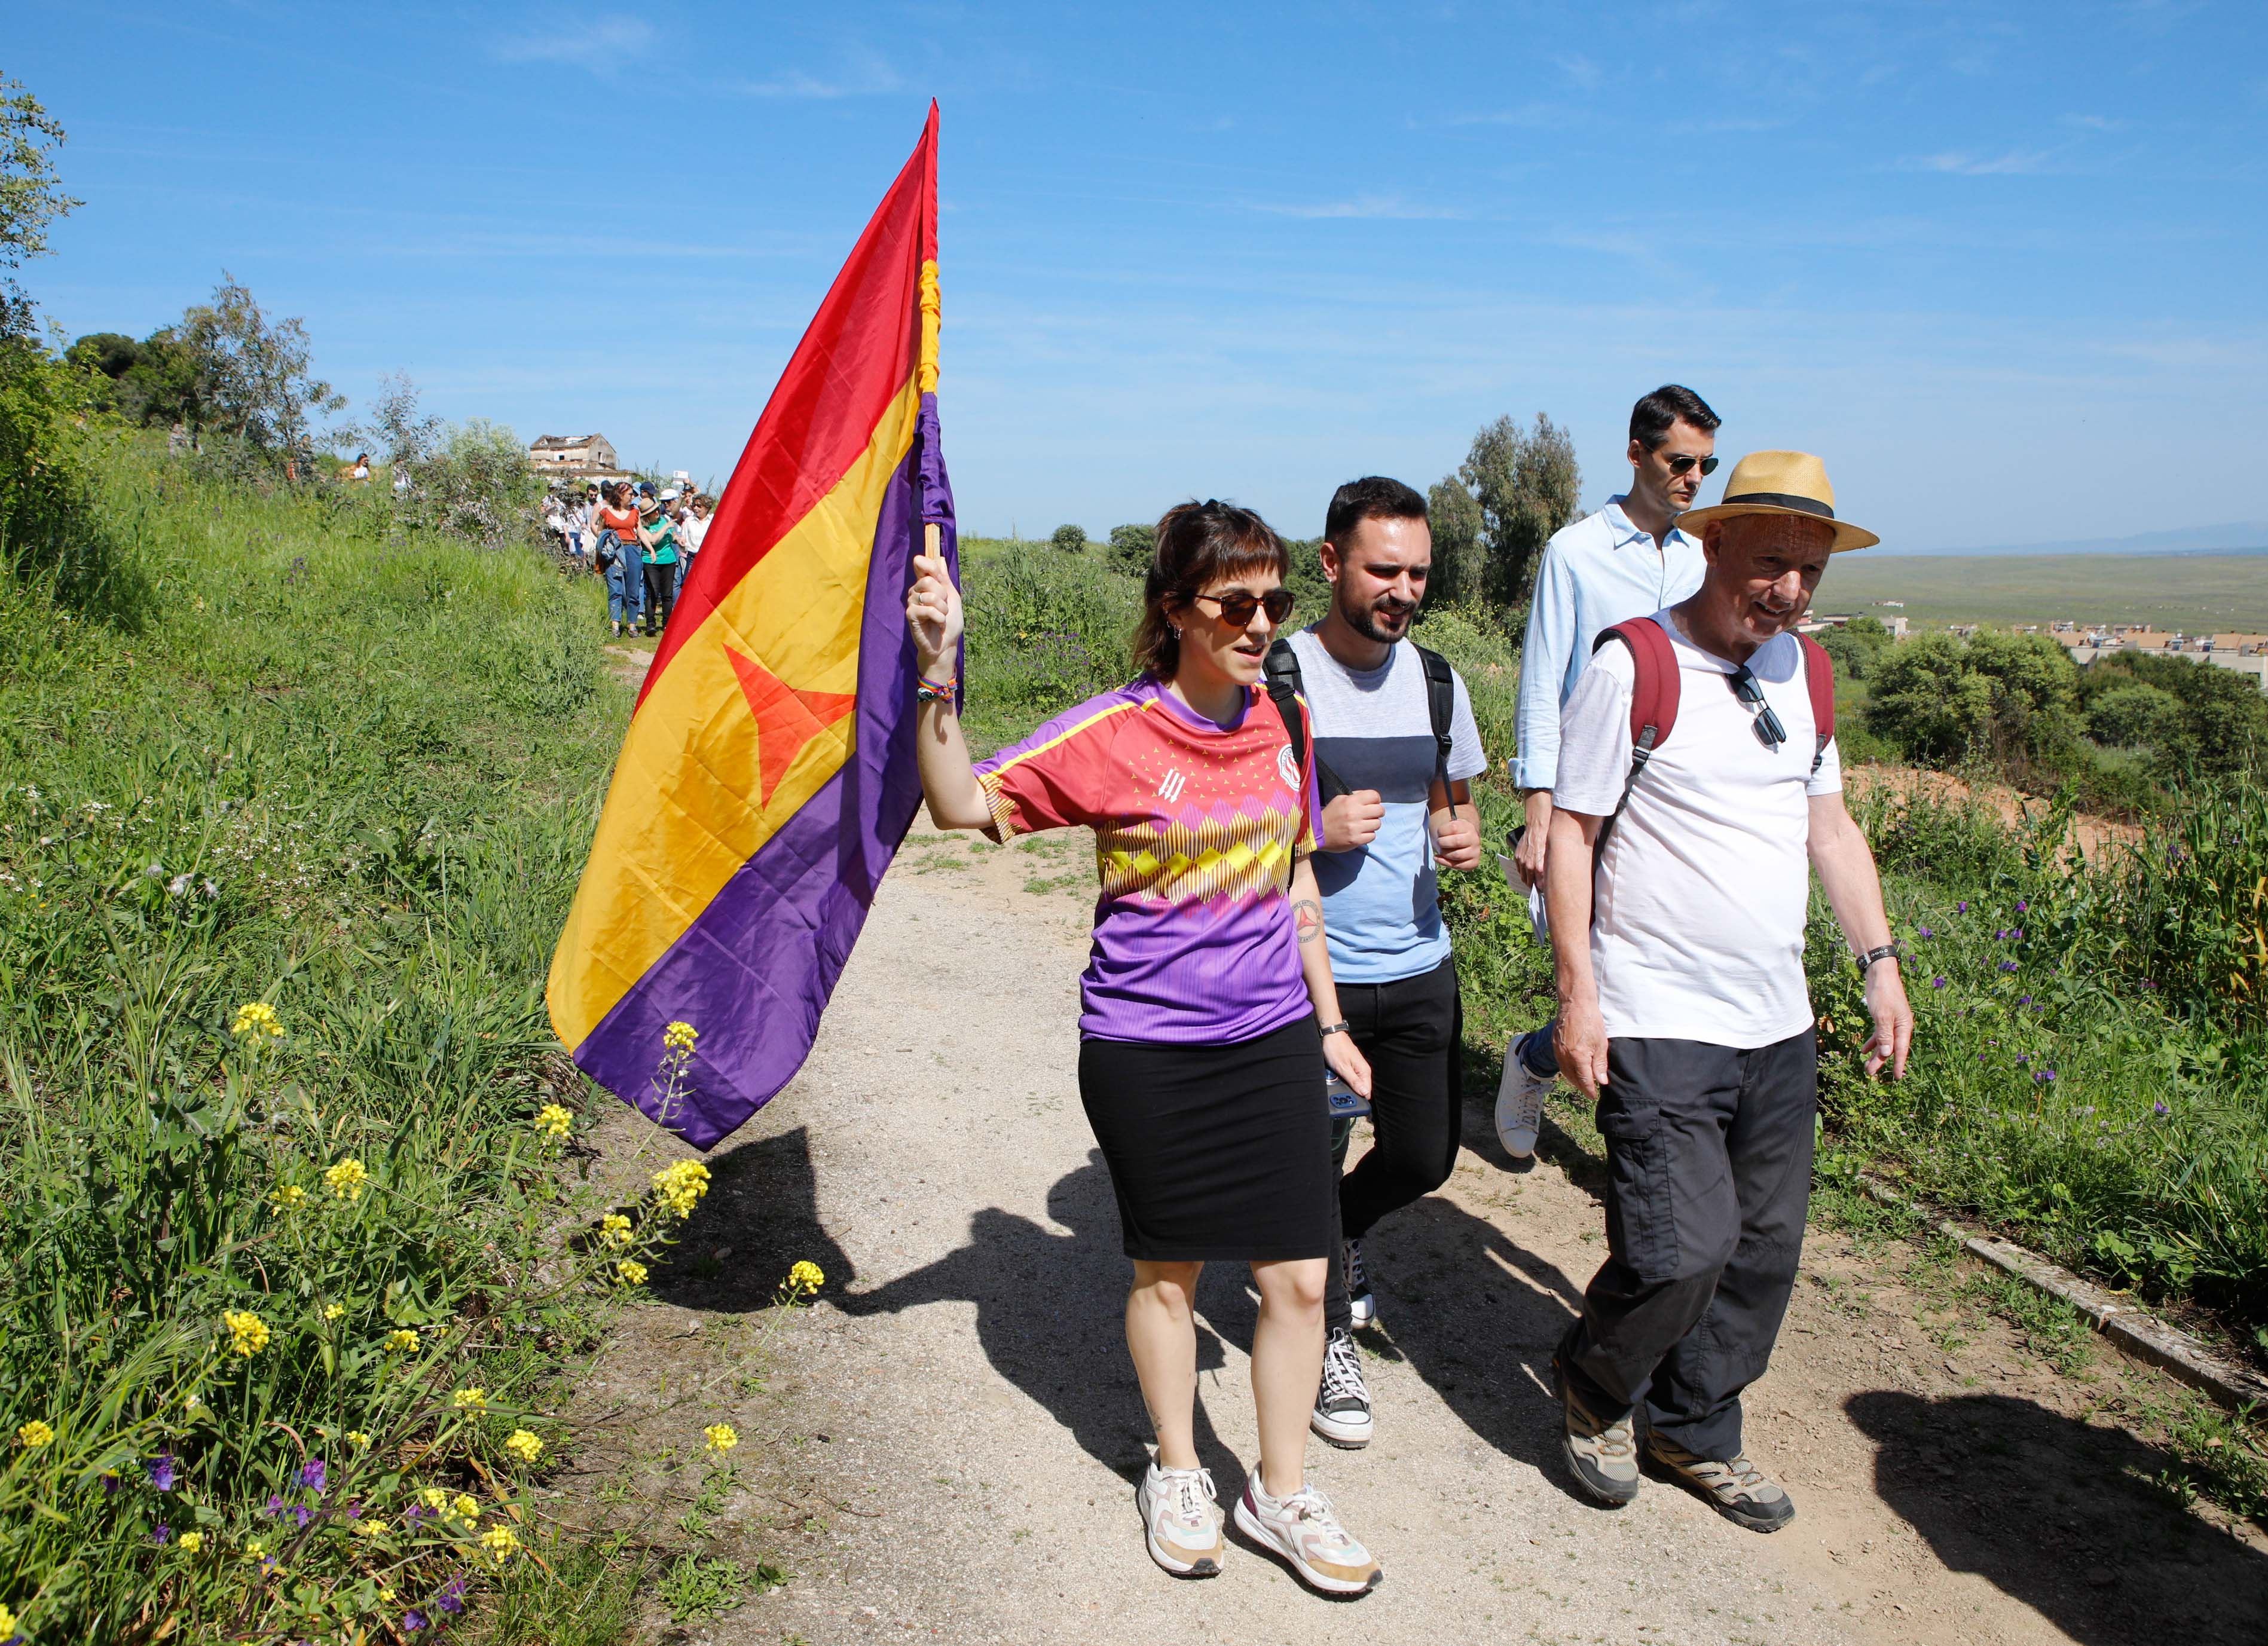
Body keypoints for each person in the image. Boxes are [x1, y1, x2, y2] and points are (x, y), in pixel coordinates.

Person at [904, 500, 1384, 1597]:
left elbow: (1293, 879)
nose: (1260, 622)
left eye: (1274, 601)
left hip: (1267, 1037)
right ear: (1174, 610)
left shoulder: (1283, 719)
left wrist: (1329, 1021)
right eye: (1233, 602)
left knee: (1300, 1278)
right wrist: (938, 669)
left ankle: (1279, 1487)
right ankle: (1177, 1467)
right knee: (1167, 1273)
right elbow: (959, 802)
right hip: (1146, 1046)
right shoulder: (1113, 733)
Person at [1542, 450, 1912, 1533]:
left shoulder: (1807, 672)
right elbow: (1570, 834)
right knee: (1678, 1247)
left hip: (1776, 1022)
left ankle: (1692, 1423)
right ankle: (1596, 1383)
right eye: (1768, 564)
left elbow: (1828, 829)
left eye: (1807, 571)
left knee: (1760, 1248)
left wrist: (1878, 961)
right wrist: (1577, 994)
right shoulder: (1634, 665)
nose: (1788, 591)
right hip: (1655, 1014)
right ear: (1708, 544)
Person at [1267, 476, 1485, 1452]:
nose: (1402, 589)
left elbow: (1450, 795)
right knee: (1311, 1161)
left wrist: (1458, 828)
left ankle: (1334, 1241)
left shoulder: (1436, 679)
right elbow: (1230, 832)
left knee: (1422, 1154)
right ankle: (1320, 1329)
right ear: (1329, 564)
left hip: (1419, 965)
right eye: (1382, 569)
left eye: (1416, 573)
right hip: (1312, 976)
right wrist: (1311, 830)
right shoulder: (1280, 677)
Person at [1496, 385, 1721, 1160]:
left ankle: (1641, 1143)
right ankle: (1537, 1060)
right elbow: (1540, 684)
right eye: (1678, 461)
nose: (1693, 479)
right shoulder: (1576, 553)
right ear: (1635, 453)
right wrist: (1537, 811)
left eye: (1705, 465)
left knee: (1649, 987)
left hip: (1672, 811)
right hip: (1587, 808)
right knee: (1595, 980)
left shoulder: (1702, 560)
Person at [595, 481, 644, 637]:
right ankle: (615, 625)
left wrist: (650, 549)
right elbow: (600, 531)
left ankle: (632, 625)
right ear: (621, 495)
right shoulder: (606, 512)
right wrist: (607, 543)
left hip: (632, 550)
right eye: (630, 494)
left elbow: (640, 532)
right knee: (615, 589)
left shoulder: (635, 512)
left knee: (633, 589)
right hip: (614, 552)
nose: (633, 497)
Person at [636, 492, 680, 637]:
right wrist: (666, 527)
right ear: (646, 515)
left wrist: (678, 539)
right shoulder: (643, 526)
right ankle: (650, 624)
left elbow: (672, 536)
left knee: (667, 594)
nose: (657, 513)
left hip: (669, 560)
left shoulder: (663, 519)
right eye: (653, 512)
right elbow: (653, 540)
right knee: (653, 592)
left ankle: (667, 623)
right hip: (651, 561)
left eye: (656, 510)